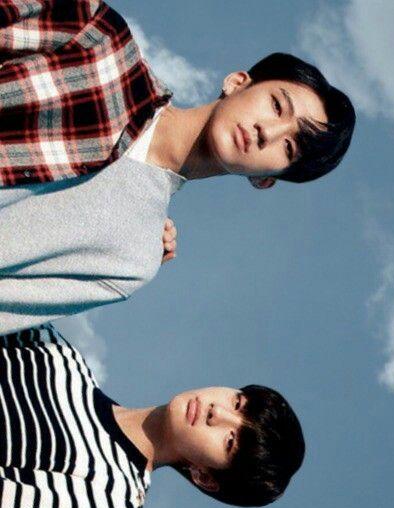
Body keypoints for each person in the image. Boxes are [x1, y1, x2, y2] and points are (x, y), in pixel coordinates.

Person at [0, 3, 356, 335]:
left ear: (265, 180)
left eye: (289, 147)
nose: (269, 131)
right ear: (237, 82)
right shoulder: (102, 43)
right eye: (277, 106)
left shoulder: (131, 257)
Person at [0, 324, 305, 508]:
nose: (218, 413)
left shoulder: (112, 497)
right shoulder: (59, 356)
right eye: (237, 402)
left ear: (205, 477)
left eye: (230, 441)